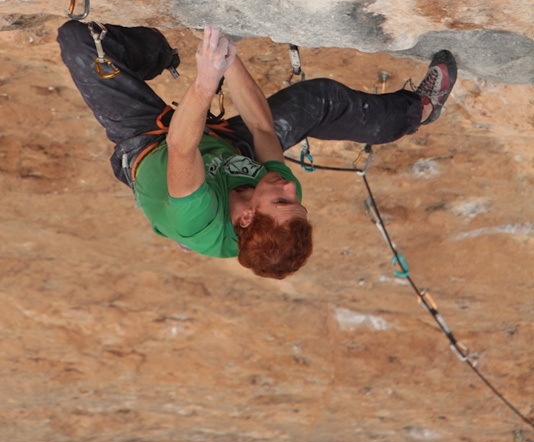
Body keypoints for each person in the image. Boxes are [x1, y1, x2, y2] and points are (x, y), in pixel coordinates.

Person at [57, 21, 457, 279]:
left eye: (281, 200)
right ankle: (415, 112)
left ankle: (158, 51)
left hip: (148, 144)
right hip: (226, 149)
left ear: (247, 216)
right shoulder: (280, 202)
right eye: (293, 200)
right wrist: (228, 61)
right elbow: (263, 127)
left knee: (78, 42)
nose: (288, 187)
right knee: (320, 99)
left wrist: (206, 78)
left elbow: (181, 145)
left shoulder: (198, 216)